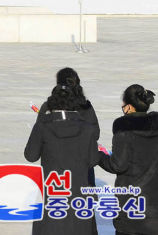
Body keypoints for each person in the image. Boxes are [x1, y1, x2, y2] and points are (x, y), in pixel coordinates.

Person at [23, 82, 102, 235]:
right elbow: (93, 160)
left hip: (53, 193)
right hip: (79, 196)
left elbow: (30, 155)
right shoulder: (87, 128)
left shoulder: (43, 126)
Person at [98, 84, 158, 235]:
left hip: (132, 208)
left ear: (129, 107)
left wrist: (99, 155)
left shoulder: (124, 129)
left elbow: (118, 165)